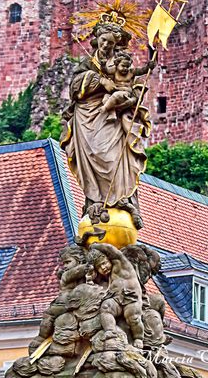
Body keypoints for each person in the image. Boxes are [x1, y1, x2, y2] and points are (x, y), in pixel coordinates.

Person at [60, 24, 151, 225]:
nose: (106, 45)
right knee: (93, 156)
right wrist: (100, 80)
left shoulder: (119, 62)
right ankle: (95, 201)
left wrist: (132, 95)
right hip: (87, 117)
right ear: (97, 40)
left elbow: (132, 85)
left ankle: (123, 201)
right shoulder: (87, 62)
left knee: (115, 159)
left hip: (114, 119)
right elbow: (74, 89)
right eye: (103, 41)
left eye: (110, 43)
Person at [87, 242, 144, 349]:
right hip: (117, 300)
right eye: (99, 267)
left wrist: (94, 246)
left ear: (109, 259)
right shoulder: (108, 279)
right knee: (106, 307)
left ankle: (138, 337)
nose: (103, 267)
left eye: (104, 263)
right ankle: (110, 331)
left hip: (132, 298)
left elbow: (111, 249)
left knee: (133, 318)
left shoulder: (120, 264)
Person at [100, 51, 155, 122]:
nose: (125, 68)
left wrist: (148, 66)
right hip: (115, 91)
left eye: (127, 66)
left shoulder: (131, 72)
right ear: (117, 64)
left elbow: (142, 71)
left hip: (126, 94)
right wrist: (103, 64)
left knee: (116, 95)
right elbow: (105, 71)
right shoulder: (114, 70)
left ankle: (104, 108)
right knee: (105, 98)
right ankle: (112, 113)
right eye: (123, 66)